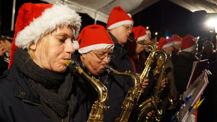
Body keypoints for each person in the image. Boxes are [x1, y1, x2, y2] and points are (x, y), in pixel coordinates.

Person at [0, 3, 82, 122]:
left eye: (72, 40)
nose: (71, 48)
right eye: (62, 39)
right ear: (33, 42)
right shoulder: (4, 94)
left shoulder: (78, 86)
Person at [70, 24, 114, 122]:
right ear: (83, 53)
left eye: (109, 55)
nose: (107, 60)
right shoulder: (71, 78)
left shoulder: (102, 75)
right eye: (101, 54)